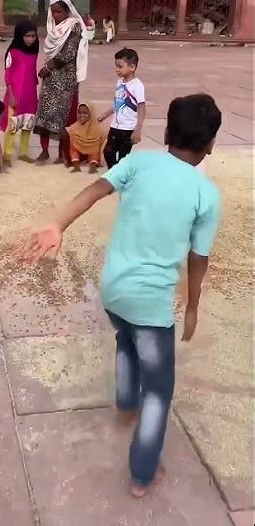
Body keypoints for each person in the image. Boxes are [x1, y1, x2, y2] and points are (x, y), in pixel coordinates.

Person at [24, 93, 222, 498]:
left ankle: (124, 403)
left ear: (167, 131)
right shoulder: (207, 195)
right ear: (210, 145)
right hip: (150, 305)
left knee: (124, 340)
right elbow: (198, 260)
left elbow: (94, 190)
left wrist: (58, 224)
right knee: (161, 390)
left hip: (113, 290)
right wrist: (193, 307)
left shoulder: (140, 160)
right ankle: (142, 473)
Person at [34, 0, 89, 163]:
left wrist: (47, 68)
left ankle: (63, 153)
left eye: (59, 12)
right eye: (54, 12)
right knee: (45, 113)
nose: (56, 16)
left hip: (66, 80)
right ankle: (44, 151)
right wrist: (47, 70)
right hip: (50, 79)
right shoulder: (52, 29)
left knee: (65, 118)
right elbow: (51, 51)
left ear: (67, 11)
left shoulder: (75, 27)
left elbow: (69, 53)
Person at [0, 19, 39, 167]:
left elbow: (32, 73)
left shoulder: (34, 52)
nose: (30, 39)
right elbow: (8, 74)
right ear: (19, 35)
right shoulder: (13, 52)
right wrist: (11, 95)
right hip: (15, 93)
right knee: (13, 125)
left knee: (27, 124)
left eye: (33, 36)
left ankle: (23, 153)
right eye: (27, 36)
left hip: (30, 94)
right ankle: (7, 155)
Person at [99, 48, 146, 169]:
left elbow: (141, 107)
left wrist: (138, 129)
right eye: (116, 66)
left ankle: (120, 176)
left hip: (128, 127)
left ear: (132, 67)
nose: (117, 70)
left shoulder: (137, 86)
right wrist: (106, 114)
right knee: (108, 152)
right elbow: (118, 102)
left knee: (123, 156)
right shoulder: (119, 83)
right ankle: (115, 173)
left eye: (120, 66)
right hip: (115, 126)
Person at [66, 102, 105, 174]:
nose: (81, 115)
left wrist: (93, 165)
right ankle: (76, 166)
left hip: (92, 154)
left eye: (85, 113)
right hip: (78, 155)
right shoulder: (73, 128)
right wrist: (76, 164)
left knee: (94, 151)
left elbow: (96, 150)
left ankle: (93, 166)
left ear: (91, 114)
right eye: (79, 112)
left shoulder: (97, 130)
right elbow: (73, 149)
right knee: (67, 138)